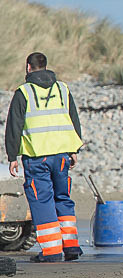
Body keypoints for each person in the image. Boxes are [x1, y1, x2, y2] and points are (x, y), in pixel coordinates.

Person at [4, 52, 83, 262]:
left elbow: (14, 125)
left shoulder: (24, 92)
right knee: (63, 198)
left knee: (42, 201)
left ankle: (52, 251)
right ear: (45, 67)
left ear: (28, 67)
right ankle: (71, 247)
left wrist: (12, 156)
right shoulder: (62, 88)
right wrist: (75, 149)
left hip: (37, 156)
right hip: (62, 155)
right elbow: (73, 118)